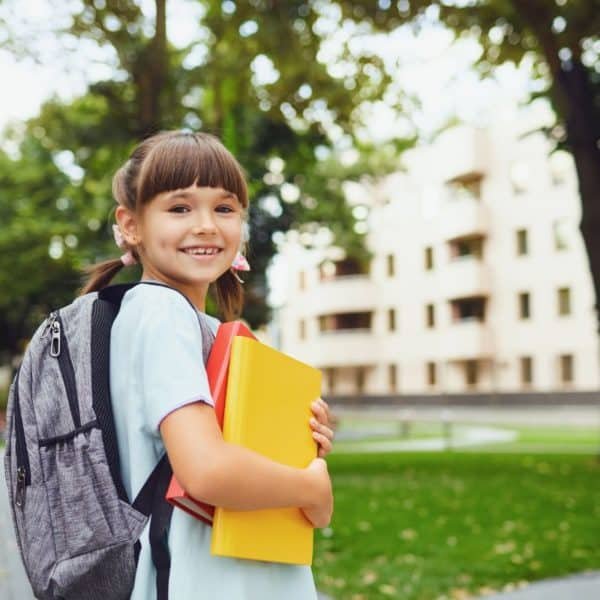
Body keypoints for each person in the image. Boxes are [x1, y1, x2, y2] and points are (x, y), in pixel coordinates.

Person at [80, 130, 335, 599]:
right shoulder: (164, 315)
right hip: (210, 580)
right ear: (131, 224)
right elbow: (207, 470)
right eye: (179, 208)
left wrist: (300, 445)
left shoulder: (136, 315)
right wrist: (309, 487)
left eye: (224, 208)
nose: (205, 225)